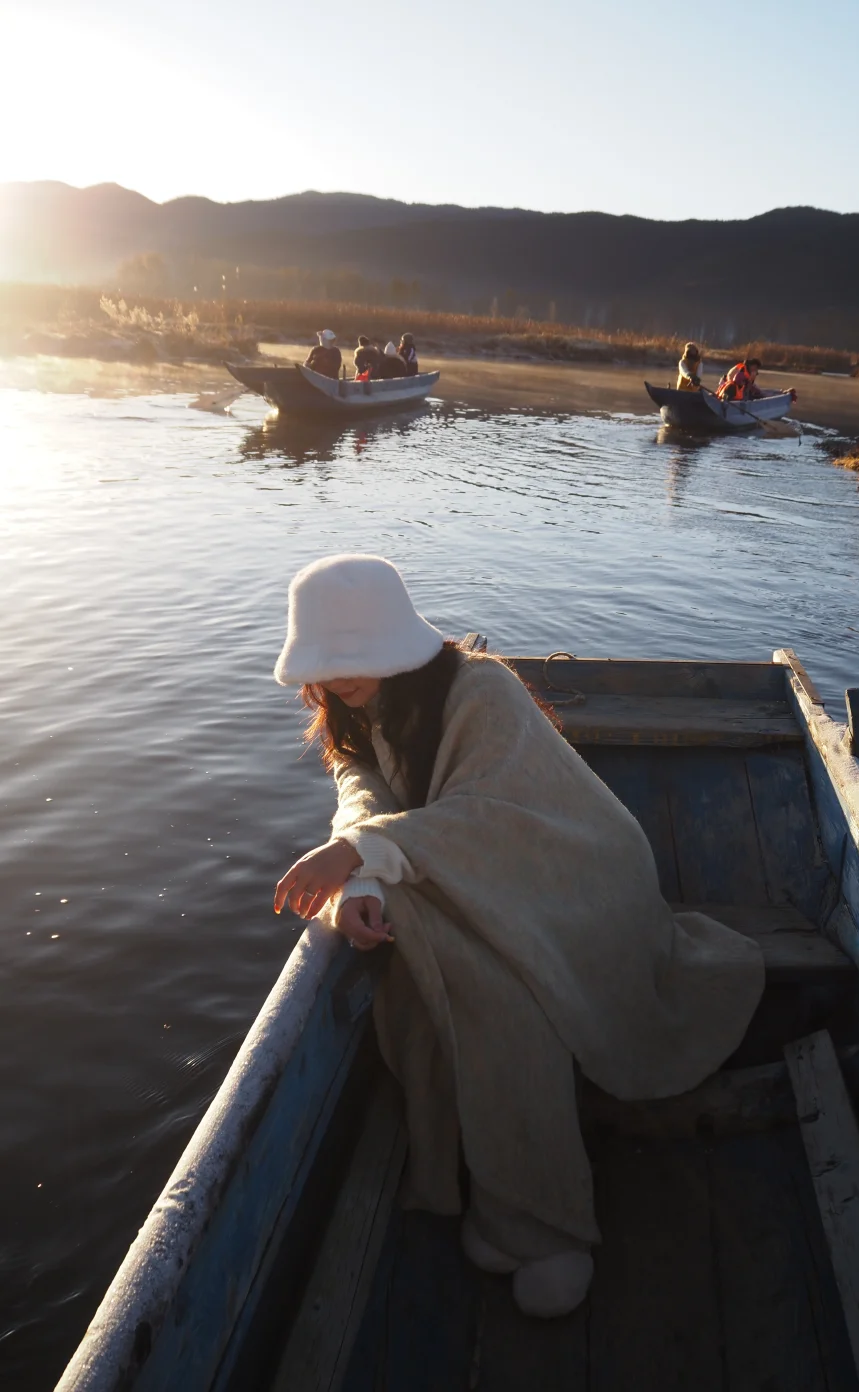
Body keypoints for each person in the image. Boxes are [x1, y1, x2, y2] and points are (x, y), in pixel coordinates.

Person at [272, 555, 765, 1319]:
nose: (338, 680)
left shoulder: (482, 691)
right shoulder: (357, 709)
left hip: (572, 874)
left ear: (394, 642)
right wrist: (362, 877)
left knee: (493, 979)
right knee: (448, 956)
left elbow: (491, 821)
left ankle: (545, 1225)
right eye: (327, 666)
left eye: (352, 661)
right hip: (471, 870)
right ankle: (513, 1204)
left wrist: (360, 855)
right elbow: (361, 792)